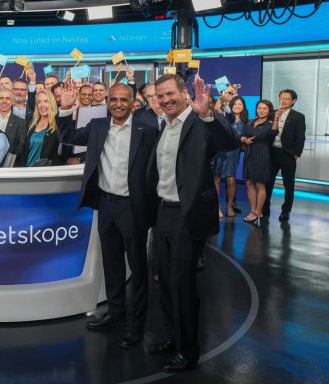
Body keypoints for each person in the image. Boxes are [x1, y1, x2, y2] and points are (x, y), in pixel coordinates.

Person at [145, 74, 239, 373]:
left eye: (170, 93)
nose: (165, 100)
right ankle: (172, 338)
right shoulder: (165, 124)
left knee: (183, 284)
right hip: (162, 212)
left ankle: (188, 350)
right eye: (160, 95)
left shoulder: (201, 121)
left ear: (184, 93)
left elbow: (230, 143)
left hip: (187, 214)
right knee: (165, 281)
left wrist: (208, 114)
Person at [57, 83, 158, 348]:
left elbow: (155, 170)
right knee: (111, 264)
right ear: (108, 102)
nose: (118, 104)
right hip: (106, 205)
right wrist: (65, 109)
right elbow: (68, 137)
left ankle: (136, 324)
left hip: (133, 208)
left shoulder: (147, 130)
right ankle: (116, 313)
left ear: (132, 102)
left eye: (124, 99)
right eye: (113, 99)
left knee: (138, 268)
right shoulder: (98, 126)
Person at [265, 89, 306, 221]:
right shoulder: (271, 114)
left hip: (287, 154)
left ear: (293, 101)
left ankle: (286, 210)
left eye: (287, 98)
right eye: (281, 98)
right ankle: (265, 206)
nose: (283, 100)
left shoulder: (298, 116)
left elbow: (300, 137)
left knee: (288, 184)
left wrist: (296, 154)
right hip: (271, 152)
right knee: (268, 182)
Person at [241, 100, 279, 226]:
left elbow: (274, 132)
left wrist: (276, 119)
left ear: (269, 110)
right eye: (259, 108)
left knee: (260, 185)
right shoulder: (250, 122)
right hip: (249, 155)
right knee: (249, 183)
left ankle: (258, 211)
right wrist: (244, 139)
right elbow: (242, 135)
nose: (261, 110)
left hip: (262, 156)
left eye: (264, 108)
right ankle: (253, 211)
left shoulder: (270, 123)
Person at [213, 96, 248, 218]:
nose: (237, 106)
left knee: (231, 180)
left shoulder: (246, 122)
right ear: (230, 106)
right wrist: (222, 101)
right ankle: (217, 207)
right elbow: (216, 111)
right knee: (216, 179)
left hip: (233, 152)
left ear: (243, 107)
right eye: (235, 104)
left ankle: (229, 206)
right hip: (220, 151)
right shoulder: (225, 116)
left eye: (240, 104)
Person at [24, 90, 60, 167]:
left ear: (52, 103)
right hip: (28, 170)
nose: (42, 105)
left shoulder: (57, 125)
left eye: (46, 101)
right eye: (39, 102)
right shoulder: (32, 124)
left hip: (46, 171)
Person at [0, 88, 26, 165]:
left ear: (13, 102)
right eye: (1, 98)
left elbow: (21, 148)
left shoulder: (21, 123)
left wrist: (3, 148)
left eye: (8, 98)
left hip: (10, 166)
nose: (4, 101)